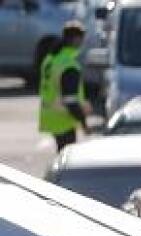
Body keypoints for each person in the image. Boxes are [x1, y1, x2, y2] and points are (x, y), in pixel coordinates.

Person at [38, 21, 89, 152]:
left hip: (50, 116)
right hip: (63, 119)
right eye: (82, 40)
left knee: (61, 155)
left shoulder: (50, 59)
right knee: (67, 159)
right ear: (76, 39)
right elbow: (70, 99)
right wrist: (83, 121)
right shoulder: (69, 65)